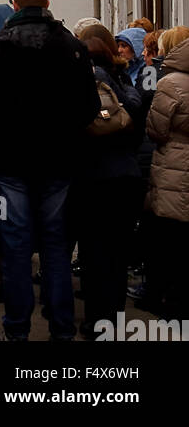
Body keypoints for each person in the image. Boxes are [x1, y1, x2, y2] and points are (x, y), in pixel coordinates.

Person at [0, 0, 101, 342]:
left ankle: (16, 331)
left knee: (16, 248)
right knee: (56, 248)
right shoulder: (72, 47)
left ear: (14, 4)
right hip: (59, 161)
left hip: (10, 162)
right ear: (46, 2)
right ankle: (61, 330)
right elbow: (90, 106)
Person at [72, 26, 144, 339]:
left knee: (93, 250)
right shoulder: (124, 82)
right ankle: (112, 322)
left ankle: (93, 320)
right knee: (117, 253)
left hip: (90, 178)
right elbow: (138, 121)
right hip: (125, 177)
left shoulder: (78, 83)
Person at [145, 26, 189, 319]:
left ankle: (165, 298)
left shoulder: (170, 82)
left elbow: (156, 129)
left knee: (166, 238)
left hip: (172, 163)